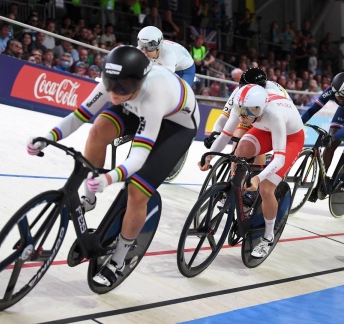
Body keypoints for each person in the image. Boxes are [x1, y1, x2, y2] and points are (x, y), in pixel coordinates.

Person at [27, 45, 200, 286]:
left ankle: (119, 259)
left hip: (176, 127)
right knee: (98, 129)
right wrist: (48, 137)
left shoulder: (153, 95)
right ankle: (88, 199)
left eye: (122, 88)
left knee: (138, 191)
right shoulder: (115, 83)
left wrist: (109, 178)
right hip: (135, 105)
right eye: (110, 85)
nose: (114, 94)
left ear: (139, 83)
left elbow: (138, 157)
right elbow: (79, 116)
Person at [199, 84, 304, 258]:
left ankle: (268, 237)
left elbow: (279, 158)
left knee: (266, 188)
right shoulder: (243, 106)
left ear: (259, 109)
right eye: (240, 112)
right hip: (264, 129)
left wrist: (259, 178)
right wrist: (209, 156)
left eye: (247, 113)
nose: (242, 117)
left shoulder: (274, 115)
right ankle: (237, 193)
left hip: (291, 137)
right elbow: (225, 135)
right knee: (240, 150)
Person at [204, 67, 290, 153]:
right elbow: (224, 118)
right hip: (254, 114)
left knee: (253, 144)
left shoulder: (271, 93)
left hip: (277, 117)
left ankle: (258, 164)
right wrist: (214, 135)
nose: (243, 92)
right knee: (237, 146)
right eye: (242, 88)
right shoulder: (239, 91)